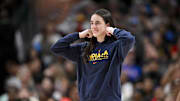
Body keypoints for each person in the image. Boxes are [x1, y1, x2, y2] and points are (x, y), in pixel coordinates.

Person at [51, 9, 135, 101]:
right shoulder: (83, 49)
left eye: (97, 23)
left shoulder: (116, 47)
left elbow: (129, 39)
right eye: (92, 23)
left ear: (107, 25)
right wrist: (78, 35)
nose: (93, 26)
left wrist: (112, 30)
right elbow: (57, 48)